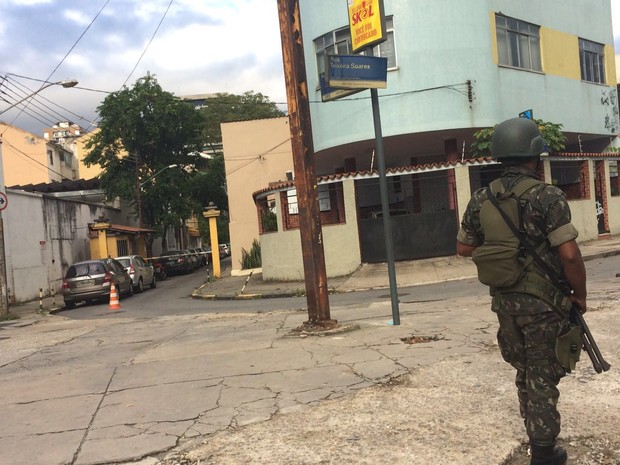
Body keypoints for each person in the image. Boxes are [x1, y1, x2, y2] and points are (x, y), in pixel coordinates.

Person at [456, 117, 587, 465]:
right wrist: (581, 296)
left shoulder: (482, 198)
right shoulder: (548, 197)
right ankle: (543, 453)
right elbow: (570, 255)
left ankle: (535, 435)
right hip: (544, 303)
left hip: (505, 302)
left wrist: (502, 246)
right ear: (534, 153)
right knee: (543, 373)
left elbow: (463, 248)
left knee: (525, 369)